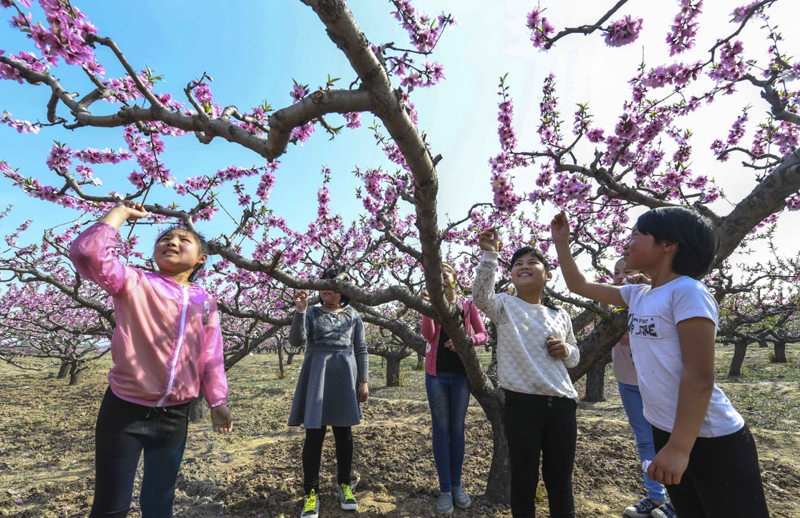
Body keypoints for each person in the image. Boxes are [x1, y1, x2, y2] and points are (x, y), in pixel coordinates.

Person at [551, 207, 769, 518]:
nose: (628, 242)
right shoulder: (640, 294)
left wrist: (680, 449)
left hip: (709, 437)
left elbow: (699, 375)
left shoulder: (687, 292)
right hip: (665, 428)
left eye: (637, 234)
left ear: (668, 244)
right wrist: (561, 243)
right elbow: (579, 286)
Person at [69, 200, 233, 518]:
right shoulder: (134, 283)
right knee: (111, 506)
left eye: (184, 240)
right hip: (124, 412)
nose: (172, 242)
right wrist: (119, 213)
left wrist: (217, 400)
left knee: (160, 503)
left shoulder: (206, 301)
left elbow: (211, 354)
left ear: (201, 258)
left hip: (174, 418)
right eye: (165, 239)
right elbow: (88, 255)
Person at [473, 230, 580, 518]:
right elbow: (480, 296)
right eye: (517, 263)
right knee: (523, 481)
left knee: (560, 481)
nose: (523, 266)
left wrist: (566, 351)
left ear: (547, 276)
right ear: (510, 276)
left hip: (561, 404)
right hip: (522, 405)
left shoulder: (561, 314)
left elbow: (575, 357)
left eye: (532, 262)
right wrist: (490, 256)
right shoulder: (505, 307)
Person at [288, 267, 369, 518]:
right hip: (317, 377)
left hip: (345, 378)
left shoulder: (353, 314)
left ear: (344, 290)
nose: (328, 288)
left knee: (344, 434)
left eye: (335, 285)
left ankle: (344, 485)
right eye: (324, 283)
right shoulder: (311, 312)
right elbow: (296, 341)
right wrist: (300, 311)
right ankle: (311, 493)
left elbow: (361, 349)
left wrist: (363, 381)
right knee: (314, 436)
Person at [419, 264, 489, 514]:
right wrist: (427, 309)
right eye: (435, 278)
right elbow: (427, 335)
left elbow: (483, 334)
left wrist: (466, 340)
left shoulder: (468, 305)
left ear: (454, 278)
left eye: (445, 276)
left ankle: (458, 485)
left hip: (461, 376)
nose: (441, 281)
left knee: (457, 429)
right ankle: (446, 489)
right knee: (441, 429)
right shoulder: (431, 305)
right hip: (436, 376)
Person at [609, 259, 675, 518]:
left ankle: (680, 501)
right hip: (628, 382)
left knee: (673, 441)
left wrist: (648, 285)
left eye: (627, 271)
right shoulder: (615, 306)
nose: (621, 276)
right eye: (616, 273)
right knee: (645, 441)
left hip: (660, 383)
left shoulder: (656, 298)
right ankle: (655, 496)